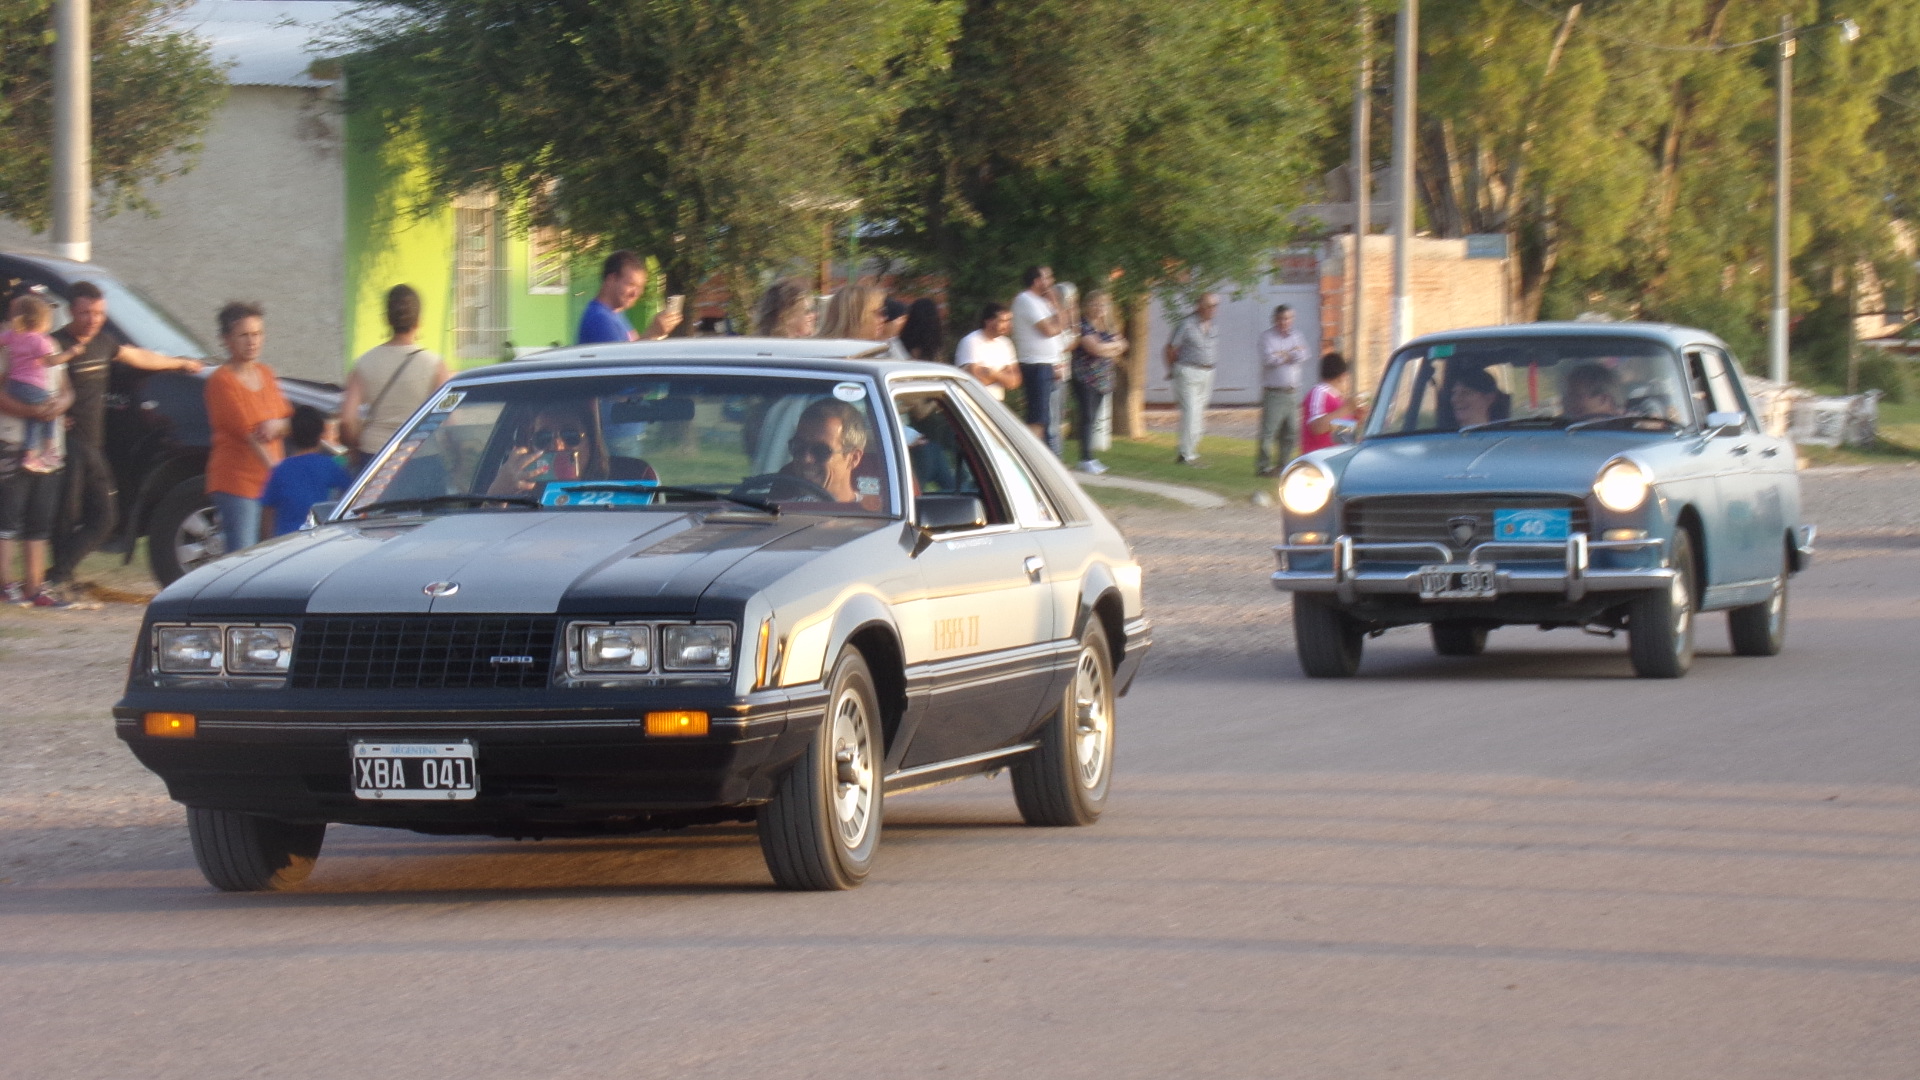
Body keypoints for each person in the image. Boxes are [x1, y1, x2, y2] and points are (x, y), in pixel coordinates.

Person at [46, 281, 203, 587]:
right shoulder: (55, 345)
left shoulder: (104, 342)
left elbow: (140, 357)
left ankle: (59, 574)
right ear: (71, 311)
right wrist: (55, 413)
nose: (93, 319)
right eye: (85, 313)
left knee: (106, 517)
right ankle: (59, 578)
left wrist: (181, 363)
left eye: (99, 313)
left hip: (94, 446)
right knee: (66, 516)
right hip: (65, 446)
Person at [204, 302, 291, 553]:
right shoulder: (222, 381)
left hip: (269, 480)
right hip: (238, 482)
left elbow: (289, 421)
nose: (252, 342)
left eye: (257, 334)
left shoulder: (266, 373)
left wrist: (278, 424)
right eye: (244, 335)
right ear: (226, 340)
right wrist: (281, 475)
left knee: (273, 552)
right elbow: (250, 433)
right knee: (243, 553)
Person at [339, 284, 452, 471]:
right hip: (421, 455)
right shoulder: (435, 365)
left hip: (374, 456)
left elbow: (347, 420)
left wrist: (355, 447)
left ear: (387, 319)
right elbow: (449, 420)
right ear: (419, 321)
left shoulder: (363, 364)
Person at [0, 338, 73, 607]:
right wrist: (32, 410)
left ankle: (35, 586)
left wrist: (60, 405)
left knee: (39, 519)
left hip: (48, 449)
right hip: (13, 442)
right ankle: (4, 584)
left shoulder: (51, 344)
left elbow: (66, 389)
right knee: (7, 518)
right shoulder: (8, 345)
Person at [2, 296, 81, 471]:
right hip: (11, 445)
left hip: (48, 461)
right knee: (44, 408)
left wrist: (61, 405)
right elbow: (51, 361)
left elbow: (66, 390)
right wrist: (71, 352)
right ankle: (42, 450)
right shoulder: (31, 341)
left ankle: (39, 453)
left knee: (44, 411)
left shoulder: (47, 342)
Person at [261, 405, 352, 537]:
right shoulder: (329, 465)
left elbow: (268, 511)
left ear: (291, 434)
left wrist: (267, 540)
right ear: (321, 435)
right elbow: (351, 492)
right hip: (317, 535)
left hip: (285, 538)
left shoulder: (280, 470)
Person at [487, 402, 607, 496]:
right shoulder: (519, 498)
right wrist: (498, 495)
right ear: (532, 447)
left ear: (591, 444)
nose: (557, 447)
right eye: (543, 438)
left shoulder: (613, 496)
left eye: (570, 436)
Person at [1071, 290, 1127, 474]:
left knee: (1093, 418)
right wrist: (1111, 348)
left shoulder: (1107, 326)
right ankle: (1085, 458)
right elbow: (1094, 348)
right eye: (1096, 304)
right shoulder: (1083, 325)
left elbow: (1123, 345)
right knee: (1087, 417)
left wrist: (1107, 348)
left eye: (1103, 304)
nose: (1100, 308)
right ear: (1087, 306)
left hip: (1103, 379)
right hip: (1086, 377)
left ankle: (1090, 457)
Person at [1011, 266, 1066, 451]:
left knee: (1047, 418)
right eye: (1047, 278)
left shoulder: (1043, 302)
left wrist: (1055, 304)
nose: (1051, 281)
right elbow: (1049, 330)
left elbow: (1062, 325)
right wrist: (1057, 323)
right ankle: (1030, 455)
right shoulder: (1025, 300)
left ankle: (1044, 455)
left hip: (1048, 365)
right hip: (1035, 364)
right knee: (1037, 418)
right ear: (1037, 281)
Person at [576, 250, 682, 345]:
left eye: (640, 287)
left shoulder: (615, 314)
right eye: (631, 285)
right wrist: (652, 333)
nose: (636, 293)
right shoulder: (600, 319)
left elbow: (630, 349)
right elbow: (621, 359)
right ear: (611, 280)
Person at [1163, 292, 1220, 466]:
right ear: (1199, 306)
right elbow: (1170, 348)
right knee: (1191, 412)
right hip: (1188, 371)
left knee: (1199, 412)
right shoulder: (1186, 324)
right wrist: (1173, 370)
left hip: (1207, 372)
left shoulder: (1213, 326)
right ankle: (1185, 454)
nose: (1213, 309)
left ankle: (1191, 451)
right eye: (1209, 305)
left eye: (1215, 306)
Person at [778, 398, 868, 503]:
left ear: (853, 458)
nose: (806, 459)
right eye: (799, 447)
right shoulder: (778, 509)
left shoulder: (871, 512)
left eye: (821, 451)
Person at [1256, 304, 1309, 476]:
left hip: (1292, 392)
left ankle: (1283, 465)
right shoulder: (1267, 337)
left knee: (1291, 431)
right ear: (1275, 319)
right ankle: (1263, 467)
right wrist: (1290, 353)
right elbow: (1269, 359)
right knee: (1269, 432)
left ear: (1292, 319)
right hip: (1274, 392)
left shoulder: (1297, 336)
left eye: (1287, 319)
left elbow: (1304, 355)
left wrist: (1283, 354)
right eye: (1281, 319)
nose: (1284, 322)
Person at [1300, 351, 1364, 455]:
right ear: (1343, 376)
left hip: (1338, 456)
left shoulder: (1338, 400)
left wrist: (1358, 420)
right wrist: (1346, 409)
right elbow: (1316, 427)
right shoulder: (1320, 392)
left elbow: (1339, 435)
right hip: (1320, 457)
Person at [954, 303, 1020, 401]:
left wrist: (992, 373)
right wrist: (1003, 374)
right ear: (988, 321)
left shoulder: (1006, 343)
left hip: (995, 402)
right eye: (1002, 321)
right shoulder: (971, 341)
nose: (1008, 325)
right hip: (972, 401)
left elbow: (1014, 381)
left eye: (1009, 320)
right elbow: (975, 379)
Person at [816, 284, 885, 339]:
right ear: (853, 317)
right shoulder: (824, 350)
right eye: (877, 313)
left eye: (882, 312)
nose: (882, 319)